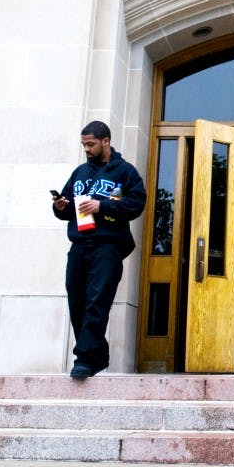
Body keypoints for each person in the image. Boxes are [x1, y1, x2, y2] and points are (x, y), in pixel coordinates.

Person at [51, 121, 147, 379]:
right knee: (77, 301)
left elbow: (137, 203)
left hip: (108, 246)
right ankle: (96, 355)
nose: (87, 149)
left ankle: (83, 358)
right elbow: (69, 206)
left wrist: (102, 207)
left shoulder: (125, 172)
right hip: (80, 244)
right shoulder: (80, 172)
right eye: (84, 145)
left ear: (106, 141)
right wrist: (61, 207)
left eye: (91, 144)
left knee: (97, 302)